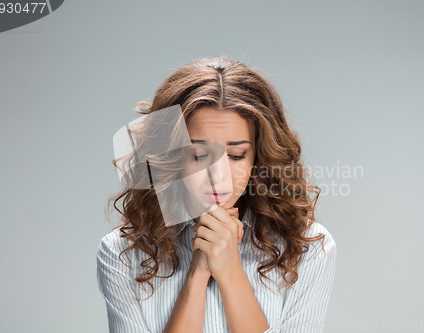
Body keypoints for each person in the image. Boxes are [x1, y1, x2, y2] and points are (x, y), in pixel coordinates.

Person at [96, 57, 337, 333]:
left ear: (258, 156)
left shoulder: (307, 248)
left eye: (236, 155)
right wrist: (198, 273)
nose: (218, 175)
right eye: (199, 155)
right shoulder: (122, 254)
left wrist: (230, 269)